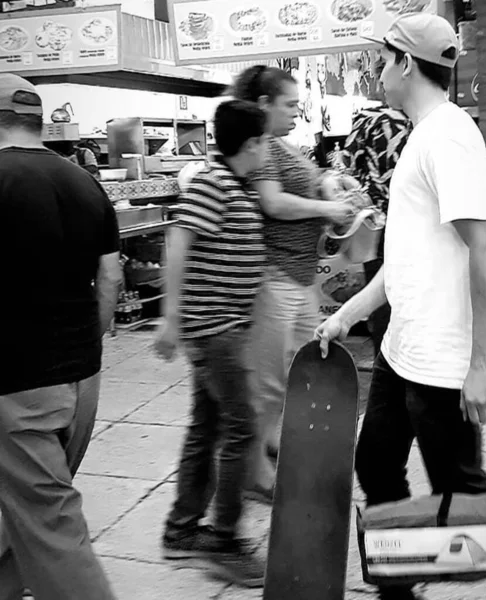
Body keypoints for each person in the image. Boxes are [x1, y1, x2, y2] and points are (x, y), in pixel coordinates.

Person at [315, 13, 486, 600]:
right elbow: (406, 260)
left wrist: (483, 364)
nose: (377, 67)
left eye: (384, 57)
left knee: (477, 513)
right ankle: (400, 583)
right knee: (375, 465)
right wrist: (346, 315)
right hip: (401, 355)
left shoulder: (447, 134)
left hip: (442, 369)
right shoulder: (424, 134)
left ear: (406, 65)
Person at [0, 73, 121, 600]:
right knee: (22, 505)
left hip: (18, 384)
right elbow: (112, 279)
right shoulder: (84, 182)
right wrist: (80, 345)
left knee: (48, 519)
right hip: (81, 381)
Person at [154, 99, 269, 588]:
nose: (269, 148)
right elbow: (178, 240)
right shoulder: (213, 183)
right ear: (249, 144)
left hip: (224, 326)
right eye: (264, 140)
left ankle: (181, 532)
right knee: (241, 428)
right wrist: (169, 317)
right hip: (211, 328)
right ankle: (223, 538)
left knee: (206, 429)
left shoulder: (234, 185)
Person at [230, 65, 355, 498]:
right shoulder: (261, 149)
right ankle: (252, 472)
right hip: (275, 277)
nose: (296, 114)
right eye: (289, 105)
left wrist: (329, 181)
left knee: (297, 369)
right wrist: (325, 211)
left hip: (297, 278)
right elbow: (273, 203)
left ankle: (272, 442)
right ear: (263, 105)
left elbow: (307, 177)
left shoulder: (281, 145)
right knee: (266, 380)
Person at [343, 95, 411, 357]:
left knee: (380, 298)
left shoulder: (366, 119)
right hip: (414, 220)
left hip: (377, 222)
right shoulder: (422, 122)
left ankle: (387, 358)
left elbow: (346, 166)